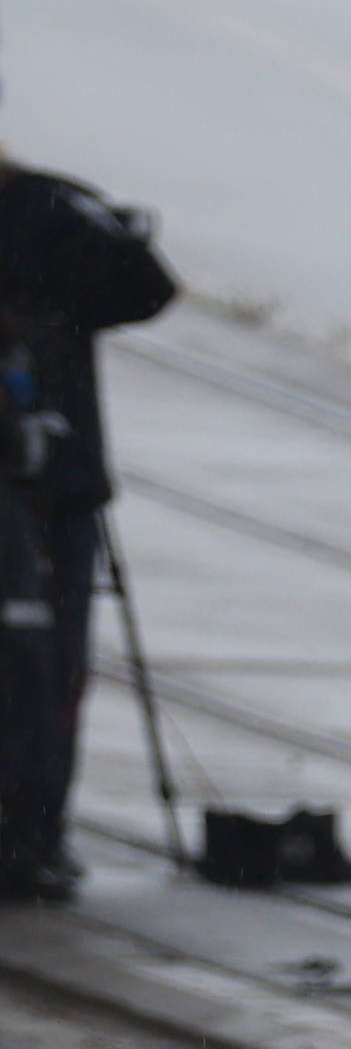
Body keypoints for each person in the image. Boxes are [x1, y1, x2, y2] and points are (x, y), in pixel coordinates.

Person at [0, 123, 178, 904]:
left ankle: (35, 829)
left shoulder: (44, 212)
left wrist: (87, 233)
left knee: (53, 662)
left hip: (58, 482)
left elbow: (146, 287)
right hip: (39, 479)